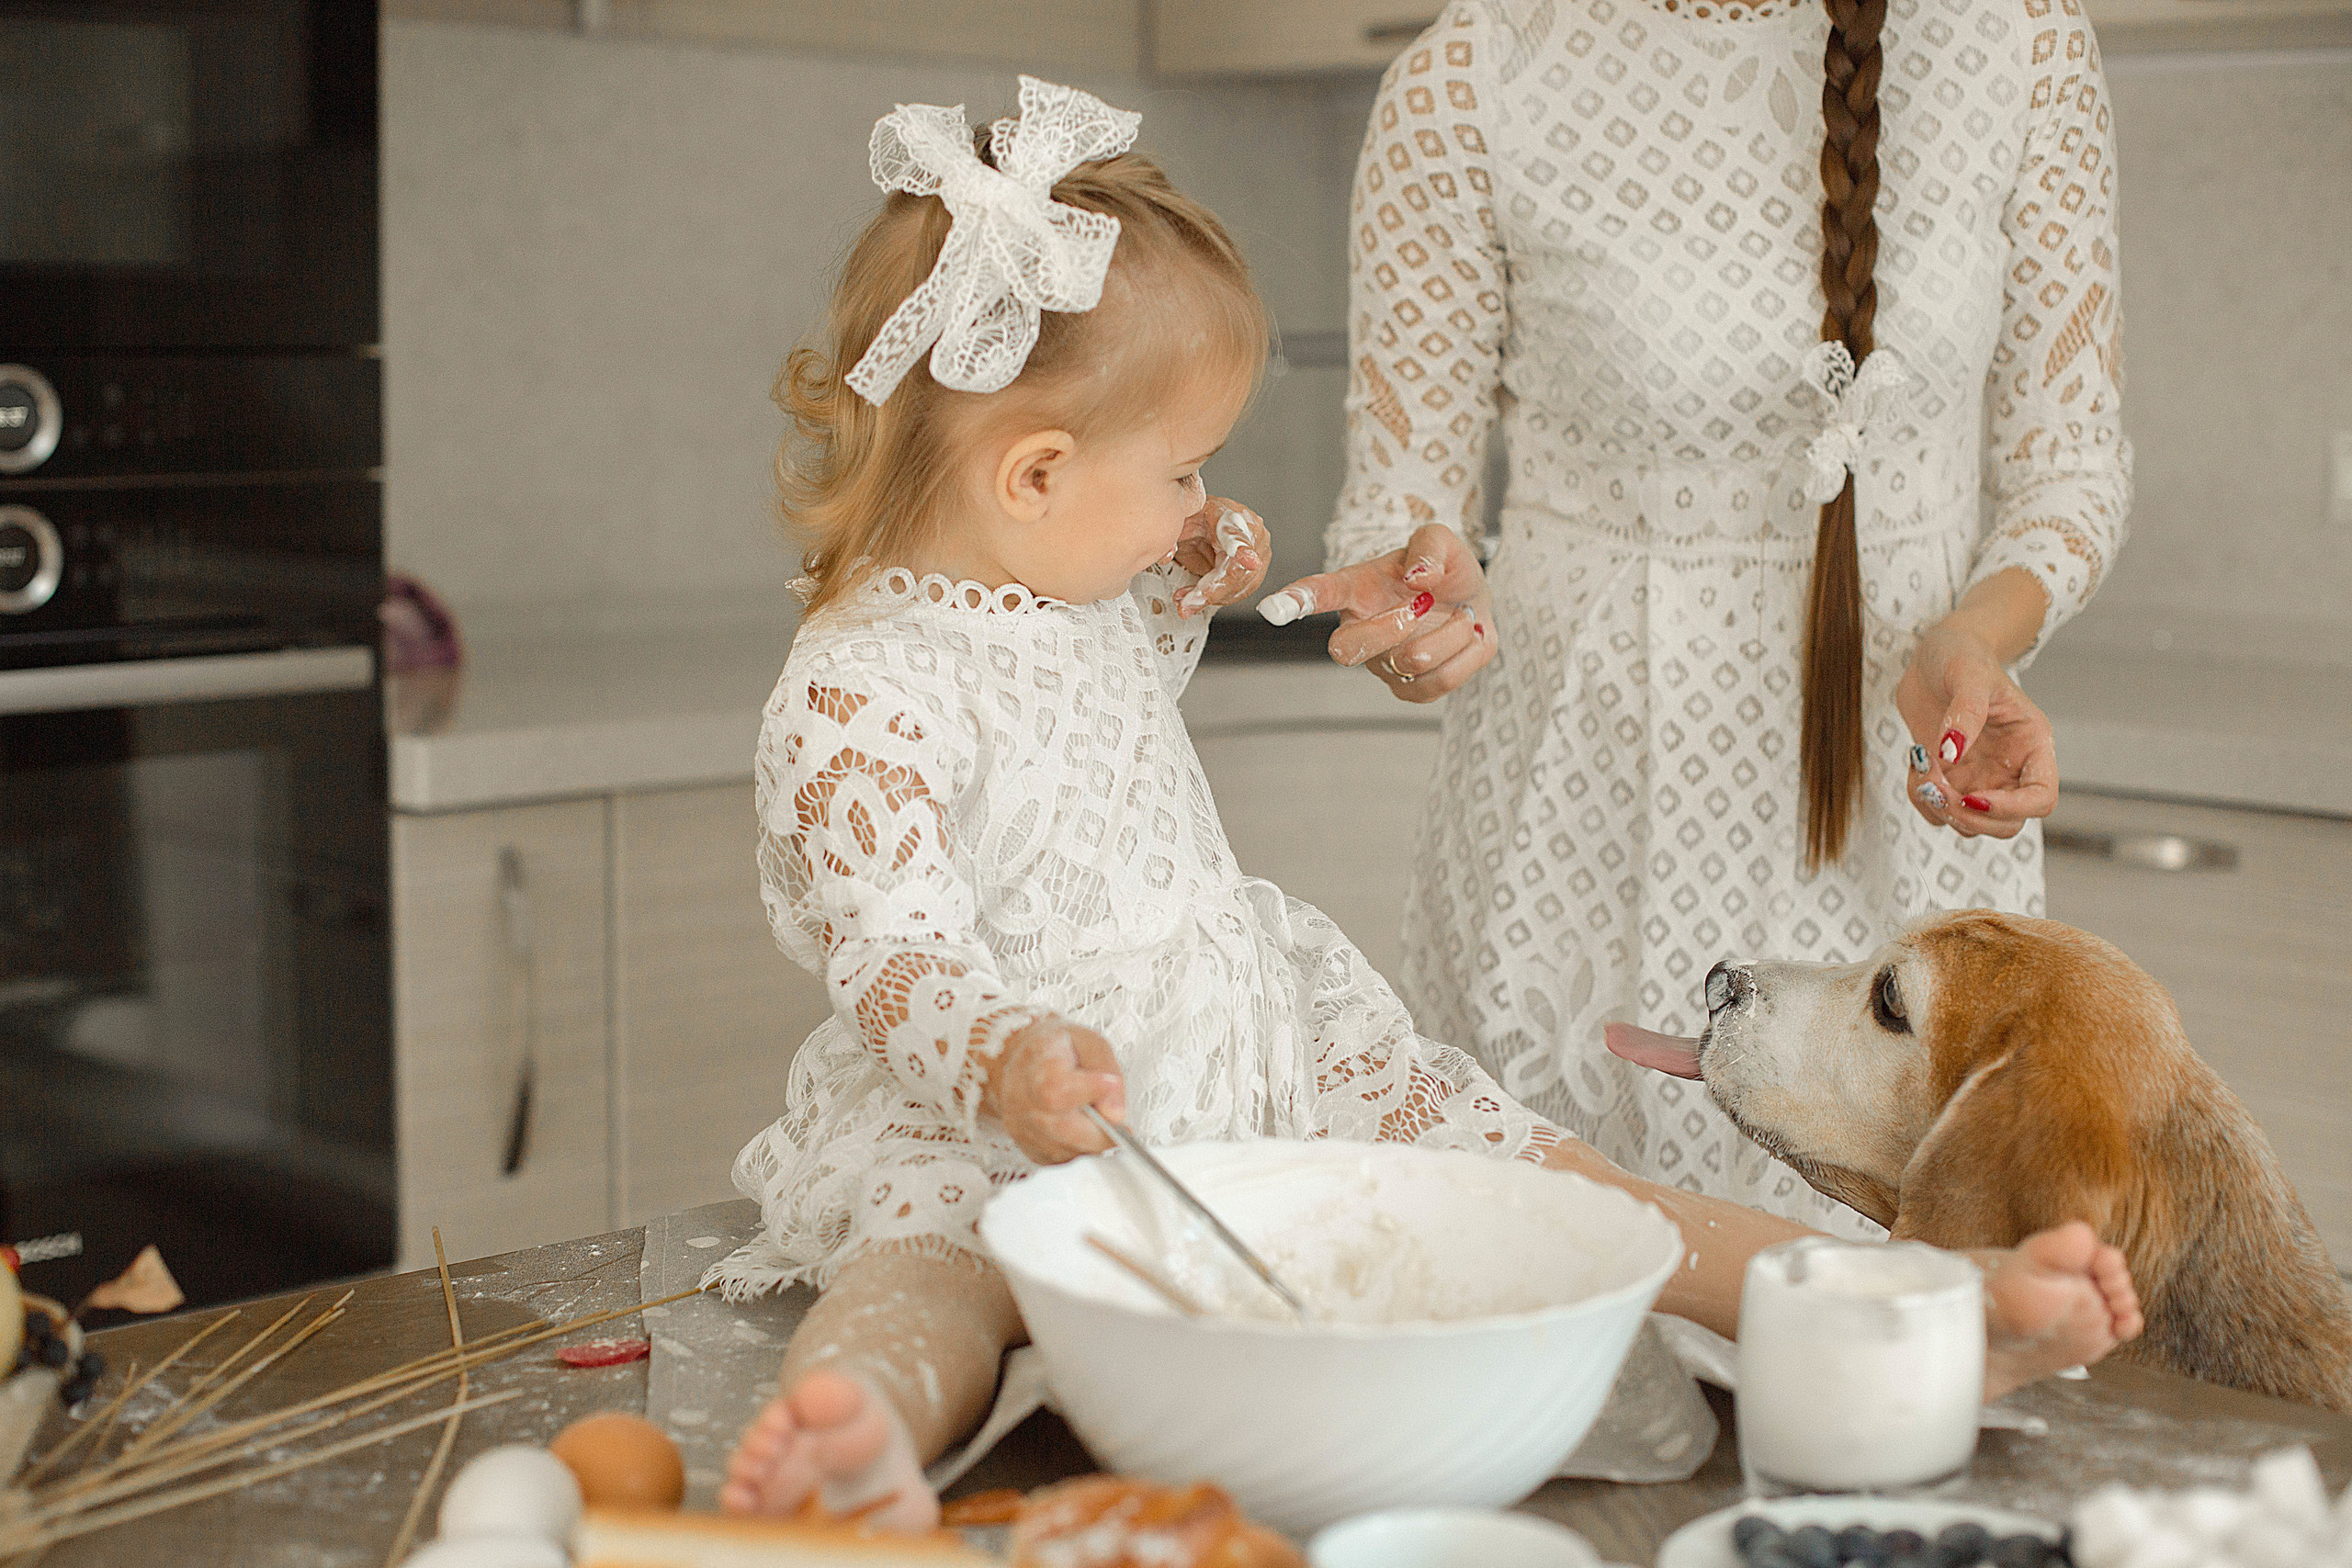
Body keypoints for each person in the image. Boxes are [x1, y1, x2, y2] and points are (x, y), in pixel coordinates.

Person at [710, 77, 2139, 1533]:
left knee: (1555, 1188)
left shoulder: (1055, 575)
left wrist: (1196, 543)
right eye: (1185, 465)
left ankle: (1917, 1316)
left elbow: (1131, 623)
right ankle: (858, 1433)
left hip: (1253, 1044)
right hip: (1002, 1113)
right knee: (936, 1273)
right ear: (1034, 475)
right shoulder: (857, 697)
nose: (1200, 497)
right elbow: (887, 955)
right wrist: (1005, 1057)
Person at [1262, 0, 2132, 1233]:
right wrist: (1416, 612)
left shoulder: (2019, 39)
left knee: (1895, 1346)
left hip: (1902, 815)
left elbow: (2072, 471)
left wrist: (1976, 637)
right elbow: (1400, 512)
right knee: (1571, 1311)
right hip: (1580, 819)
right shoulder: (1472, 74)